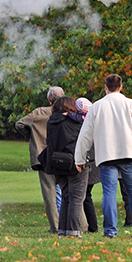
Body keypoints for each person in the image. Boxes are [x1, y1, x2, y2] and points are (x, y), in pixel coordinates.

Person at [74, 74, 132, 239]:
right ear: (121, 86)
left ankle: (110, 231)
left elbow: (85, 135)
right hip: (129, 153)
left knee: (109, 193)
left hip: (106, 155)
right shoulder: (130, 104)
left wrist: (80, 159)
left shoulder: (97, 107)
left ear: (105, 87)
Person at [15, 86, 64, 234]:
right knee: (71, 192)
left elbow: (19, 124)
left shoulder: (39, 112)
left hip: (43, 155)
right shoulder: (68, 111)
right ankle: (80, 225)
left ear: (49, 99)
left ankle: (55, 227)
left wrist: (33, 137)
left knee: (49, 193)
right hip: (65, 155)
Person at [42, 96, 87, 237]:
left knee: (66, 196)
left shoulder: (51, 122)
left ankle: (62, 229)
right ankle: (73, 230)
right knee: (77, 198)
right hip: (75, 162)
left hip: (57, 163)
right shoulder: (73, 123)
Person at [75, 97, 99, 233]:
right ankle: (91, 225)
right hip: (94, 161)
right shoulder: (95, 121)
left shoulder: (82, 123)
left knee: (84, 196)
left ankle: (90, 226)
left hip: (87, 162)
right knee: (86, 195)